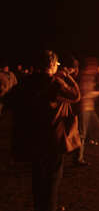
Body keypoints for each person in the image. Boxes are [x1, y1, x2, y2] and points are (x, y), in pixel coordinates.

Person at [5, 50, 81, 211]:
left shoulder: (26, 82)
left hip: (32, 138)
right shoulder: (54, 82)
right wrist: (66, 77)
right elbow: (75, 96)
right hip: (52, 139)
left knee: (38, 180)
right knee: (52, 181)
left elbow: (8, 100)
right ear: (52, 64)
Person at [75, 57, 99, 165]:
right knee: (82, 134)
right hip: (84, 108)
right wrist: (98, 93)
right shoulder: (84, 77)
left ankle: (89, 140)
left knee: (98, 125)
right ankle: (78, 158)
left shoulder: (90, 77)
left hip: (90, 108)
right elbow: (84, 94)